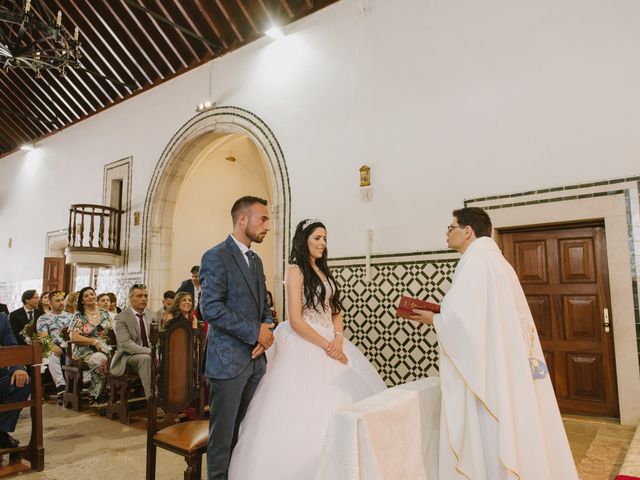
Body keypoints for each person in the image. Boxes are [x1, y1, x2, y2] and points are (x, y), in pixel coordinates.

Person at [409, 207, 578, 480]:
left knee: (489, 431)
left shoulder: (475, 263)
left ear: (468, 231)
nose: (447, 233)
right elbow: (481, 316)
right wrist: (445, 314)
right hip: (504, 361)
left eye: (451, 227)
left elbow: (464, 323)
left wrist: (435, 319)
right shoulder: (496, 261)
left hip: (488, 370)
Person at [228, 219, 386, 480]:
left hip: (331, 339)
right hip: (304, 342)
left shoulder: (323, 270)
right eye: (317, 238)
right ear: (304, 241)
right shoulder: (295, 270)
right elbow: (296, 319)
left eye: (325, 238)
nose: (323, 243)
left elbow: (335, 310)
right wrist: (326, 345)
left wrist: (337, 338)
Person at [200, 195, 276, 480]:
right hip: (228, 364)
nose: (267, 226)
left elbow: (263, 306)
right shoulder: (215, 256)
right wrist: (254, 331)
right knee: (223, 440)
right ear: (243, 219)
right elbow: (211, 309)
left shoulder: (255, 260)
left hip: (256, 362)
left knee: (246, 435)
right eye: (263, 219)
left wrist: (265, 329)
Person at [110, 285, 154, 398]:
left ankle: (172, 400)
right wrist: (149, 351)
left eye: (145, 296)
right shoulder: (120, 318)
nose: (144, 299)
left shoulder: (152, 315)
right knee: (145, 359)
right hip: (128, 357)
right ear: (130, 298)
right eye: (139, 296)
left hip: (151, 354)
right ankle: (152, 400)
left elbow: (158, 338)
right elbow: (126, 345)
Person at [70, 287, 112, 404]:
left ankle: (110, 390)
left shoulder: (105, 313)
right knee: (101, 359)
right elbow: (74, 337)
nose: (90, 297)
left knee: (118, 357)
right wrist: (94, 341)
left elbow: (113, 330)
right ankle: (95, 394)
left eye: (92, 294)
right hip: (84, 349)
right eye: (86, 296)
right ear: (82, 300)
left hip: (105, 347)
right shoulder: (79, 315)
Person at [0, 312, 31, 449]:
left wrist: (19, 368)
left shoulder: (1, 318)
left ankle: (1, 430)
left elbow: (12, 346)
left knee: (23, 383)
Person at [36, 291, 73, 400]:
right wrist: (52, 346)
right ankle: (61, 386)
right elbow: (43, 337)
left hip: (71, 346)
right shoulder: (43, 318)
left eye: (62, 300)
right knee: (52, 354)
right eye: (58, 301)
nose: (61, 303)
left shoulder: (71, 316)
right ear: (50, 303)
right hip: (54, 346)